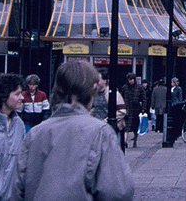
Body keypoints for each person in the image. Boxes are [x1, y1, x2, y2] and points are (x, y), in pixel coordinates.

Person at [14, 60, 134, 200]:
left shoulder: (35, 134)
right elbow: (117, 191)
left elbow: (17, 187)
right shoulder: (100, 132)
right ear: (90, 91)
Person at [119, 74, 146, 148]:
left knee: (135, 127)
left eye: (131, 79)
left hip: (136, 110)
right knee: (126, 127)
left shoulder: (139, 88)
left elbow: (144, 98)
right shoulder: (125, 87)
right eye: (129, 79)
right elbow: (121, 98)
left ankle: (135, 141)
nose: (130, 81)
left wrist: (143, 108)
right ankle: (125, 142)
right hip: (127, 109)